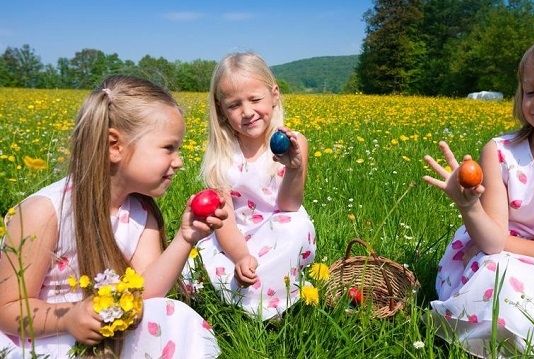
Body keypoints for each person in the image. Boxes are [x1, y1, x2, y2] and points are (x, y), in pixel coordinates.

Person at [0, 75, 226, 358]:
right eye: (169, 147)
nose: (179, 161)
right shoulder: (44, 213)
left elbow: (147, 295)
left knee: (171, 315)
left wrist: (186, 237)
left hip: (111, 336)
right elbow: (7, 308)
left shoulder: (141, 213)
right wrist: (68, 319)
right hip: (43, 338)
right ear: (115, 146)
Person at [423, 31, 534, 357]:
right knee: (499, 278)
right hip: (496, 259)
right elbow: (491, 242)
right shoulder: (500, 152)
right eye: (530, 91)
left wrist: (507, 244)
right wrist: (469, 206)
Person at [186, 52, 316, 321]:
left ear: (274, 95)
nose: (247, 112)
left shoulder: (292, 142)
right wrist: (241, 256)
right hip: (235, 236)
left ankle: (265, 298)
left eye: (255, 99)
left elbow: (289, 207)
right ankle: (265, 294)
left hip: (278, 229)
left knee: (295, 226)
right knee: (202, 260)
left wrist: (294, 167)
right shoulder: (221, 155)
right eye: (234, 105)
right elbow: (225, 221)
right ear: (221, 108)